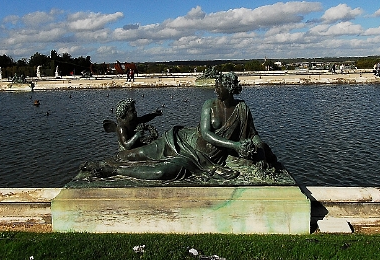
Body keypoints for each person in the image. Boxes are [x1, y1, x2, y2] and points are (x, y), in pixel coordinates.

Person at [87, 72, 266, 181]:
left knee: (160, 172)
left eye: (218, 87)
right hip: (181, 143)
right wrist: (235, 145)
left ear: (229, 89)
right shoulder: (209, 105)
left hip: (200, 159)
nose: (215, 90)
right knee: (131, 155)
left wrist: (259, 149)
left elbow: (253, 134)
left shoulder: (242, 108)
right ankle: (100, 164)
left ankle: (114, 170)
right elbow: (205, 134)